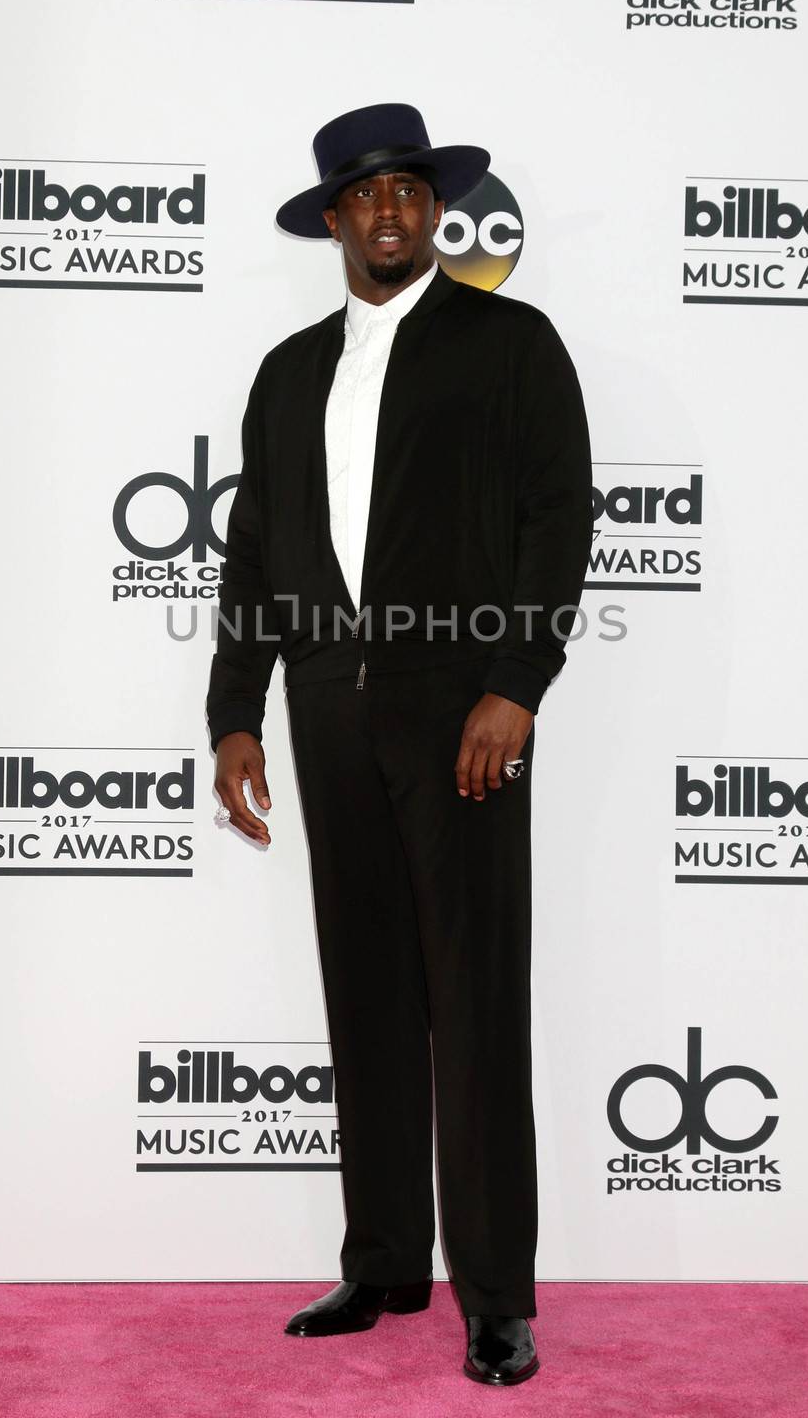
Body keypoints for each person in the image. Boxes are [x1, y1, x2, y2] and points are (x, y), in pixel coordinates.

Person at [206, 102, 592, 1386]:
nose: (387, 214)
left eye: (407, 193)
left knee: (474, 1001)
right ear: (331, 218)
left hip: (462, 712)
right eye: (363, 196)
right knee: (365, 993)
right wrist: (233, 709)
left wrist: (515, 682)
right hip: (326, 709)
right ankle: (382, 1262)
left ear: (435, 211)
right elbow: (253, 550)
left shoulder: (508, 343)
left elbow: (555, 520)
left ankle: (497, 1297)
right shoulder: (285, 370)